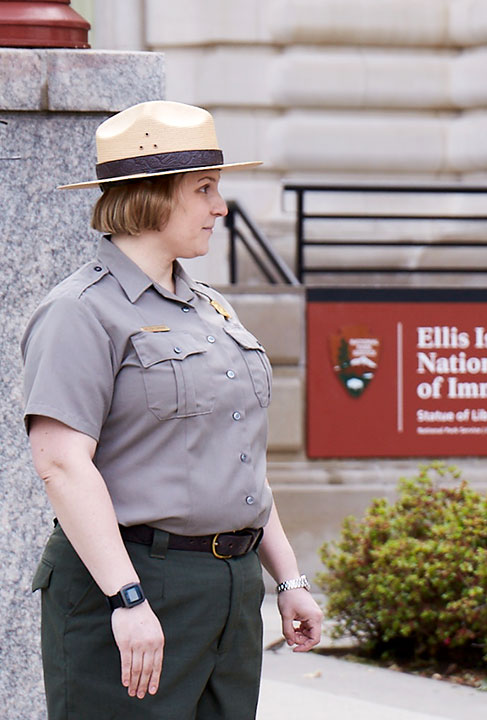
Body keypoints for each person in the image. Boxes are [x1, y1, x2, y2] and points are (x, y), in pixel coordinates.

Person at [23, 100, 322, 719]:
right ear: (152, 196)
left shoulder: (213, 309)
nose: (220, 207)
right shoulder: (81, 311)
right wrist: (126, 599)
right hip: (135, 580)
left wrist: (287, 580)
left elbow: (239, 461)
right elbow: (60, 464)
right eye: (204, 189)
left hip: (231, 588)